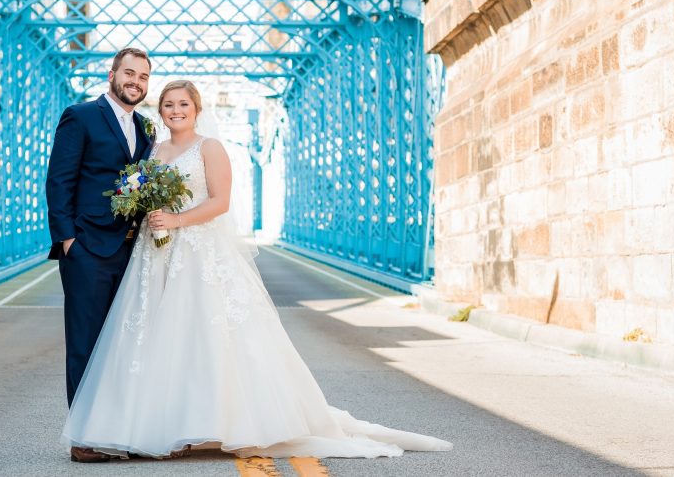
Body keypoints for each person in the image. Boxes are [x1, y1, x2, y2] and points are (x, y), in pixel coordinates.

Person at [60, 79, 452, 460]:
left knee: (197, 335)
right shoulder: (154, 149)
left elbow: (221, 202)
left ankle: (202, 423)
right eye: (168, 104)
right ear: (160, 111)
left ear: (197, 110)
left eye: (183, 104)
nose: (176, 110)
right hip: (156, 252)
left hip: (196, 253)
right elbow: (135, 193)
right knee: (156, 334)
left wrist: (177, 222)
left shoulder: (209, 148)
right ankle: (159, 422)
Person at [44, 47, 155, 463]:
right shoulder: (81, 115)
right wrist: (68, 240)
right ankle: (84, 438)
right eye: (129, 73)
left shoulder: (146, 128)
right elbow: (59, 180)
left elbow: (140, 185)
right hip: (88, 248)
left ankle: (118, 430)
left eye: (143, 77)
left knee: (122, 345)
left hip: (129, 250)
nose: (136, 82)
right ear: (112, 74)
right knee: (86, 344)